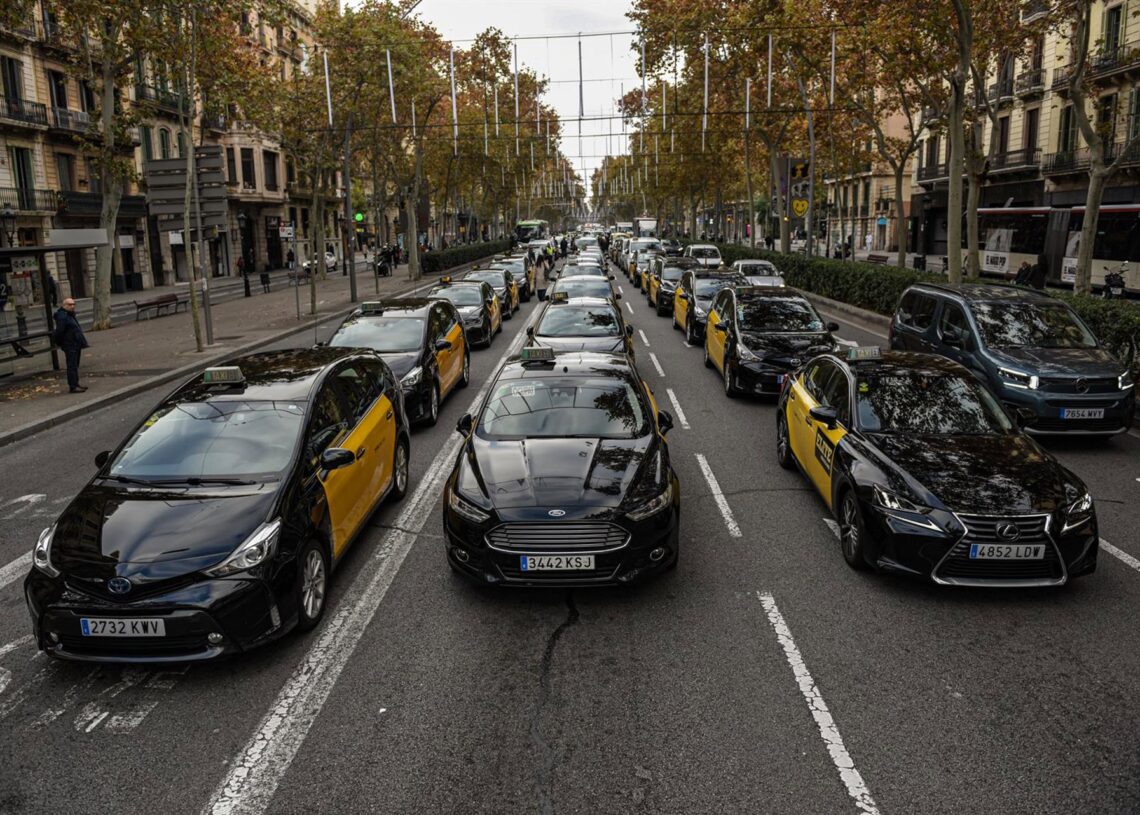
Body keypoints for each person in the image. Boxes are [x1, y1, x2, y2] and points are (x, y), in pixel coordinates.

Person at [52, 297, 89, 393]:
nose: (72, 306)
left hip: (75, 343)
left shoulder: (69, 315)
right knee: (72, 365)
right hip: (70, 344)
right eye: (69, 304)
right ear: (64, 305)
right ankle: (73, 386)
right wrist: (62, 343)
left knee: (75, 365)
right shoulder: (63, 316)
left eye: (73, 304)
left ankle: (76, 384)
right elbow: (59, 332)